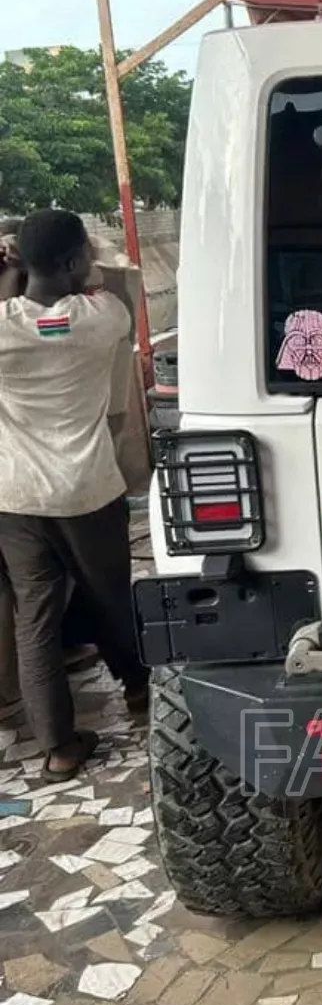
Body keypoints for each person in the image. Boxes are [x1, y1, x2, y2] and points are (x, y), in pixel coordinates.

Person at [0, 210, 149, 780]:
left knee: (33, 618)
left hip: (15, 498)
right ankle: (137, 688)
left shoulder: (5, 325)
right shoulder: (102, 317)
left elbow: (39, 289)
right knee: (109, 593)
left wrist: (13, 263)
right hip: (88, 489)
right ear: (70, 263)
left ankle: (60, 748)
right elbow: (119, 273)